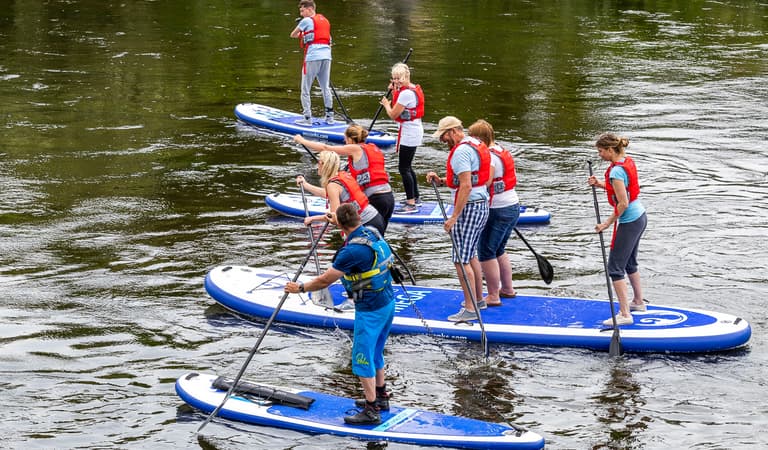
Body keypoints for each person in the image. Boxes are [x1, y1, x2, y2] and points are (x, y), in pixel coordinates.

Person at [284, 203, 396, 425]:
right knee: (376, 352)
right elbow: (343, 219)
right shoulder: (371, 232)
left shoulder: (350, 252)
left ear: (341, 226)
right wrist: (333, 218)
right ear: (357, 217)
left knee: (362, 358)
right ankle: (381, 396)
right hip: (387, 302)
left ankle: (372, 410)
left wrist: (301, 288)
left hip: (370, 309)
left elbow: (325, 280)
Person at [426, 116, 491, 322]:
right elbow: (470, 179)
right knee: (470, 255)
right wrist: (442, 180)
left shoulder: (461, 152)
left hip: (470, 209)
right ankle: (478, 299)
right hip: (481, 204)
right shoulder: (474, 144)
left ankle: (471, 309)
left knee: (460, 260)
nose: (442, 140)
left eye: (444, 136)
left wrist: (454, 217)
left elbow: (466, 186)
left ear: (454, 131)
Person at [587, 133, 648, 326]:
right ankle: (638, 302)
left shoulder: (616, 172)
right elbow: (622, 190)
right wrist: (599, 184)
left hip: (630, 221)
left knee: (614, 268)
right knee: (629, 263)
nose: (600, 155)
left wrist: (606, 223)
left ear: (611, 150)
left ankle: (624, 314)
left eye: (601, 151)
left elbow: (622, 203)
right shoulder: (625, 161)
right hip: (640, 216)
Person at [294, 124, 395, 231]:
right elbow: (332, 193)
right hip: (388, 197)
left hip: (375, 200)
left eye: (345, 140)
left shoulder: (355, 149)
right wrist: (306, 186)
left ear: (351, 140)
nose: (345, 143)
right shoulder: (373, 147)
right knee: (377, 240)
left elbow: (326, 148)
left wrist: (302, 141)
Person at [468, 119, 520, 306]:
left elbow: (487, 181)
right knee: (499, 249)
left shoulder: (489, 157)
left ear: (479, 138)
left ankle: (493, 295)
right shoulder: (500, 149)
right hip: (512, 204)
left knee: (486, 252)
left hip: (497, 209)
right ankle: (507, 289)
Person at [296, 150, 386, 236]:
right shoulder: (342, 175)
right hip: (375, 217)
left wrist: (312, 218)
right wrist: (305, 185)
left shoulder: (332, 185)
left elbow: (335, 217)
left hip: (366, 223)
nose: (317, 165)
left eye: (319, 162)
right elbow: (328, 194)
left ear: (324, 165)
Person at [379, 63, 424, 214]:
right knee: (408, 166)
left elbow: (393, 114)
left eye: (399, 79)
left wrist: (386, 104)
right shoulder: (407, 90)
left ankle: (411, 203)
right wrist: (393, 91)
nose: (396, 81)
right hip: (412, 131)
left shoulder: (406, 93)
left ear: (406, 77)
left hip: (410, 134)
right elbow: (399, 105)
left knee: (403, 168)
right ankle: (415, 197)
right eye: (394, 78)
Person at [290, 1, 334, 125]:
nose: (301, 13)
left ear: (309, 9)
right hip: (327, 57)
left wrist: (302, 31)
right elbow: (329, 40)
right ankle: (330, 118)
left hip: (312, 57)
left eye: (302, 11)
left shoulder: (305, 21)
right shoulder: (325, 21)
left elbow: (293, 34)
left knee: (305, 89)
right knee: (325, 88)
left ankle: (307, 118)